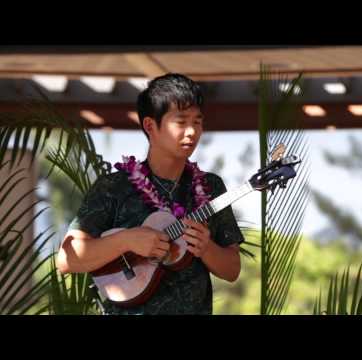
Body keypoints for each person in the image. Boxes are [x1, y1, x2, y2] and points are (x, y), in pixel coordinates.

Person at [56, 73, 244, 315]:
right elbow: (67, 259)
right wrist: (126, 240)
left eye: (197, 122)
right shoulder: (113, 187)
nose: (192, 132)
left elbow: (232, 270)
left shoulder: (211, 186)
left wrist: (206, 247)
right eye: (181, 121)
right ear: (150, 126)